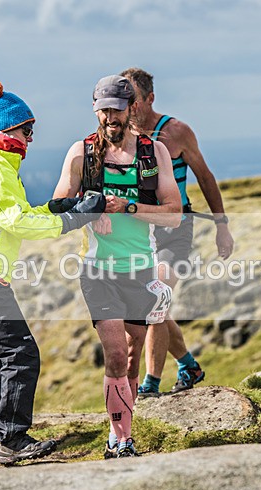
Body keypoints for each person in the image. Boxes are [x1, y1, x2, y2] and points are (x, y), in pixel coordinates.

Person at [0, 81, 105, 465]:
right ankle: (12, 440)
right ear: (5, 130)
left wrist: (60, 206)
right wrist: (73, 220)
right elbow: (15, 221)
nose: (30, 137)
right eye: (26, 129)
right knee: (20, 353)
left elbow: (16, 212)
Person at [53, 75, 181, 458]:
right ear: (96, 110)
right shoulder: (82, 152)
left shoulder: (152, 153)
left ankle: (125, 432)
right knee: (113, 354)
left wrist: (129, 208)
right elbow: (59, 204)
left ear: (132, 109)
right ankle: (118, 439)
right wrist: (91, 210)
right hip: (98, 270)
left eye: (117, 109)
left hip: (141, 269)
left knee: (130, 356)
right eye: (103, 109)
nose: (110, 116)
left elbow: (173, 216)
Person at [120, 67, 235, 395]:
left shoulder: (177, 132)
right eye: (122, 101)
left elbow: (206, 177)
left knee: (156, 300)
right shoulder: (118, 135)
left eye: (134, 101)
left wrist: (222, 226)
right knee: (144, 306)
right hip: (137, 234)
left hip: (176, 229)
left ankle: (151, 385)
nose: (128, 108)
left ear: (150, 99)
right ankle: (188, 365)